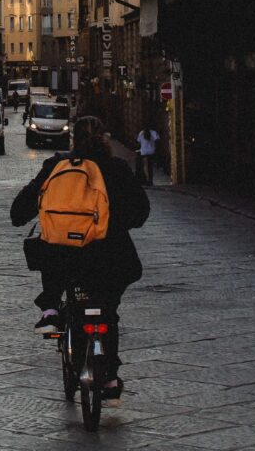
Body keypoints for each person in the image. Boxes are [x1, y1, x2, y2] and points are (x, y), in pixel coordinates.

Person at [10, 116, 150, 405]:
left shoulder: (58, 165)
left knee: (48, 248)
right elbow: (141, 212)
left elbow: (20, 211)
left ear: (73, 138)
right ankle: (110, 378)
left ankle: (50, 310)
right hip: (110, 259)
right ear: (104, 139)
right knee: (108, 313)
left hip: (65, 260)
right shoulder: (118, 169)